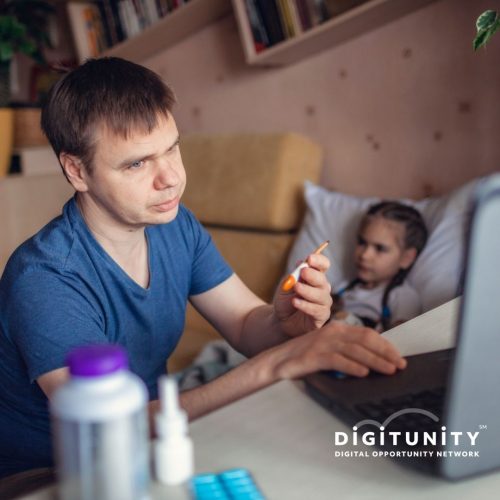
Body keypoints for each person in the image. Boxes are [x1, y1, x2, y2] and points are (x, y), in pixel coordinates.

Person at [0, 57, 406, 479]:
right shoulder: (45, 279)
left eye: (172, 147)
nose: (171, 178)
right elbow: (110, 429)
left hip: (156, 438)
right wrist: (278, 364)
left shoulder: (175, 225)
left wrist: (288, 324)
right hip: (53, 473)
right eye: (137, 163)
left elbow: (248, 324)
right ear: (77, 171)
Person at [330, 201, 428, 331]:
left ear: (406, 258)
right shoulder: (342, 287)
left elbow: (401, 340)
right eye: (362, 242)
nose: (365, 255)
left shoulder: (403, 297)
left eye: (380, 248)